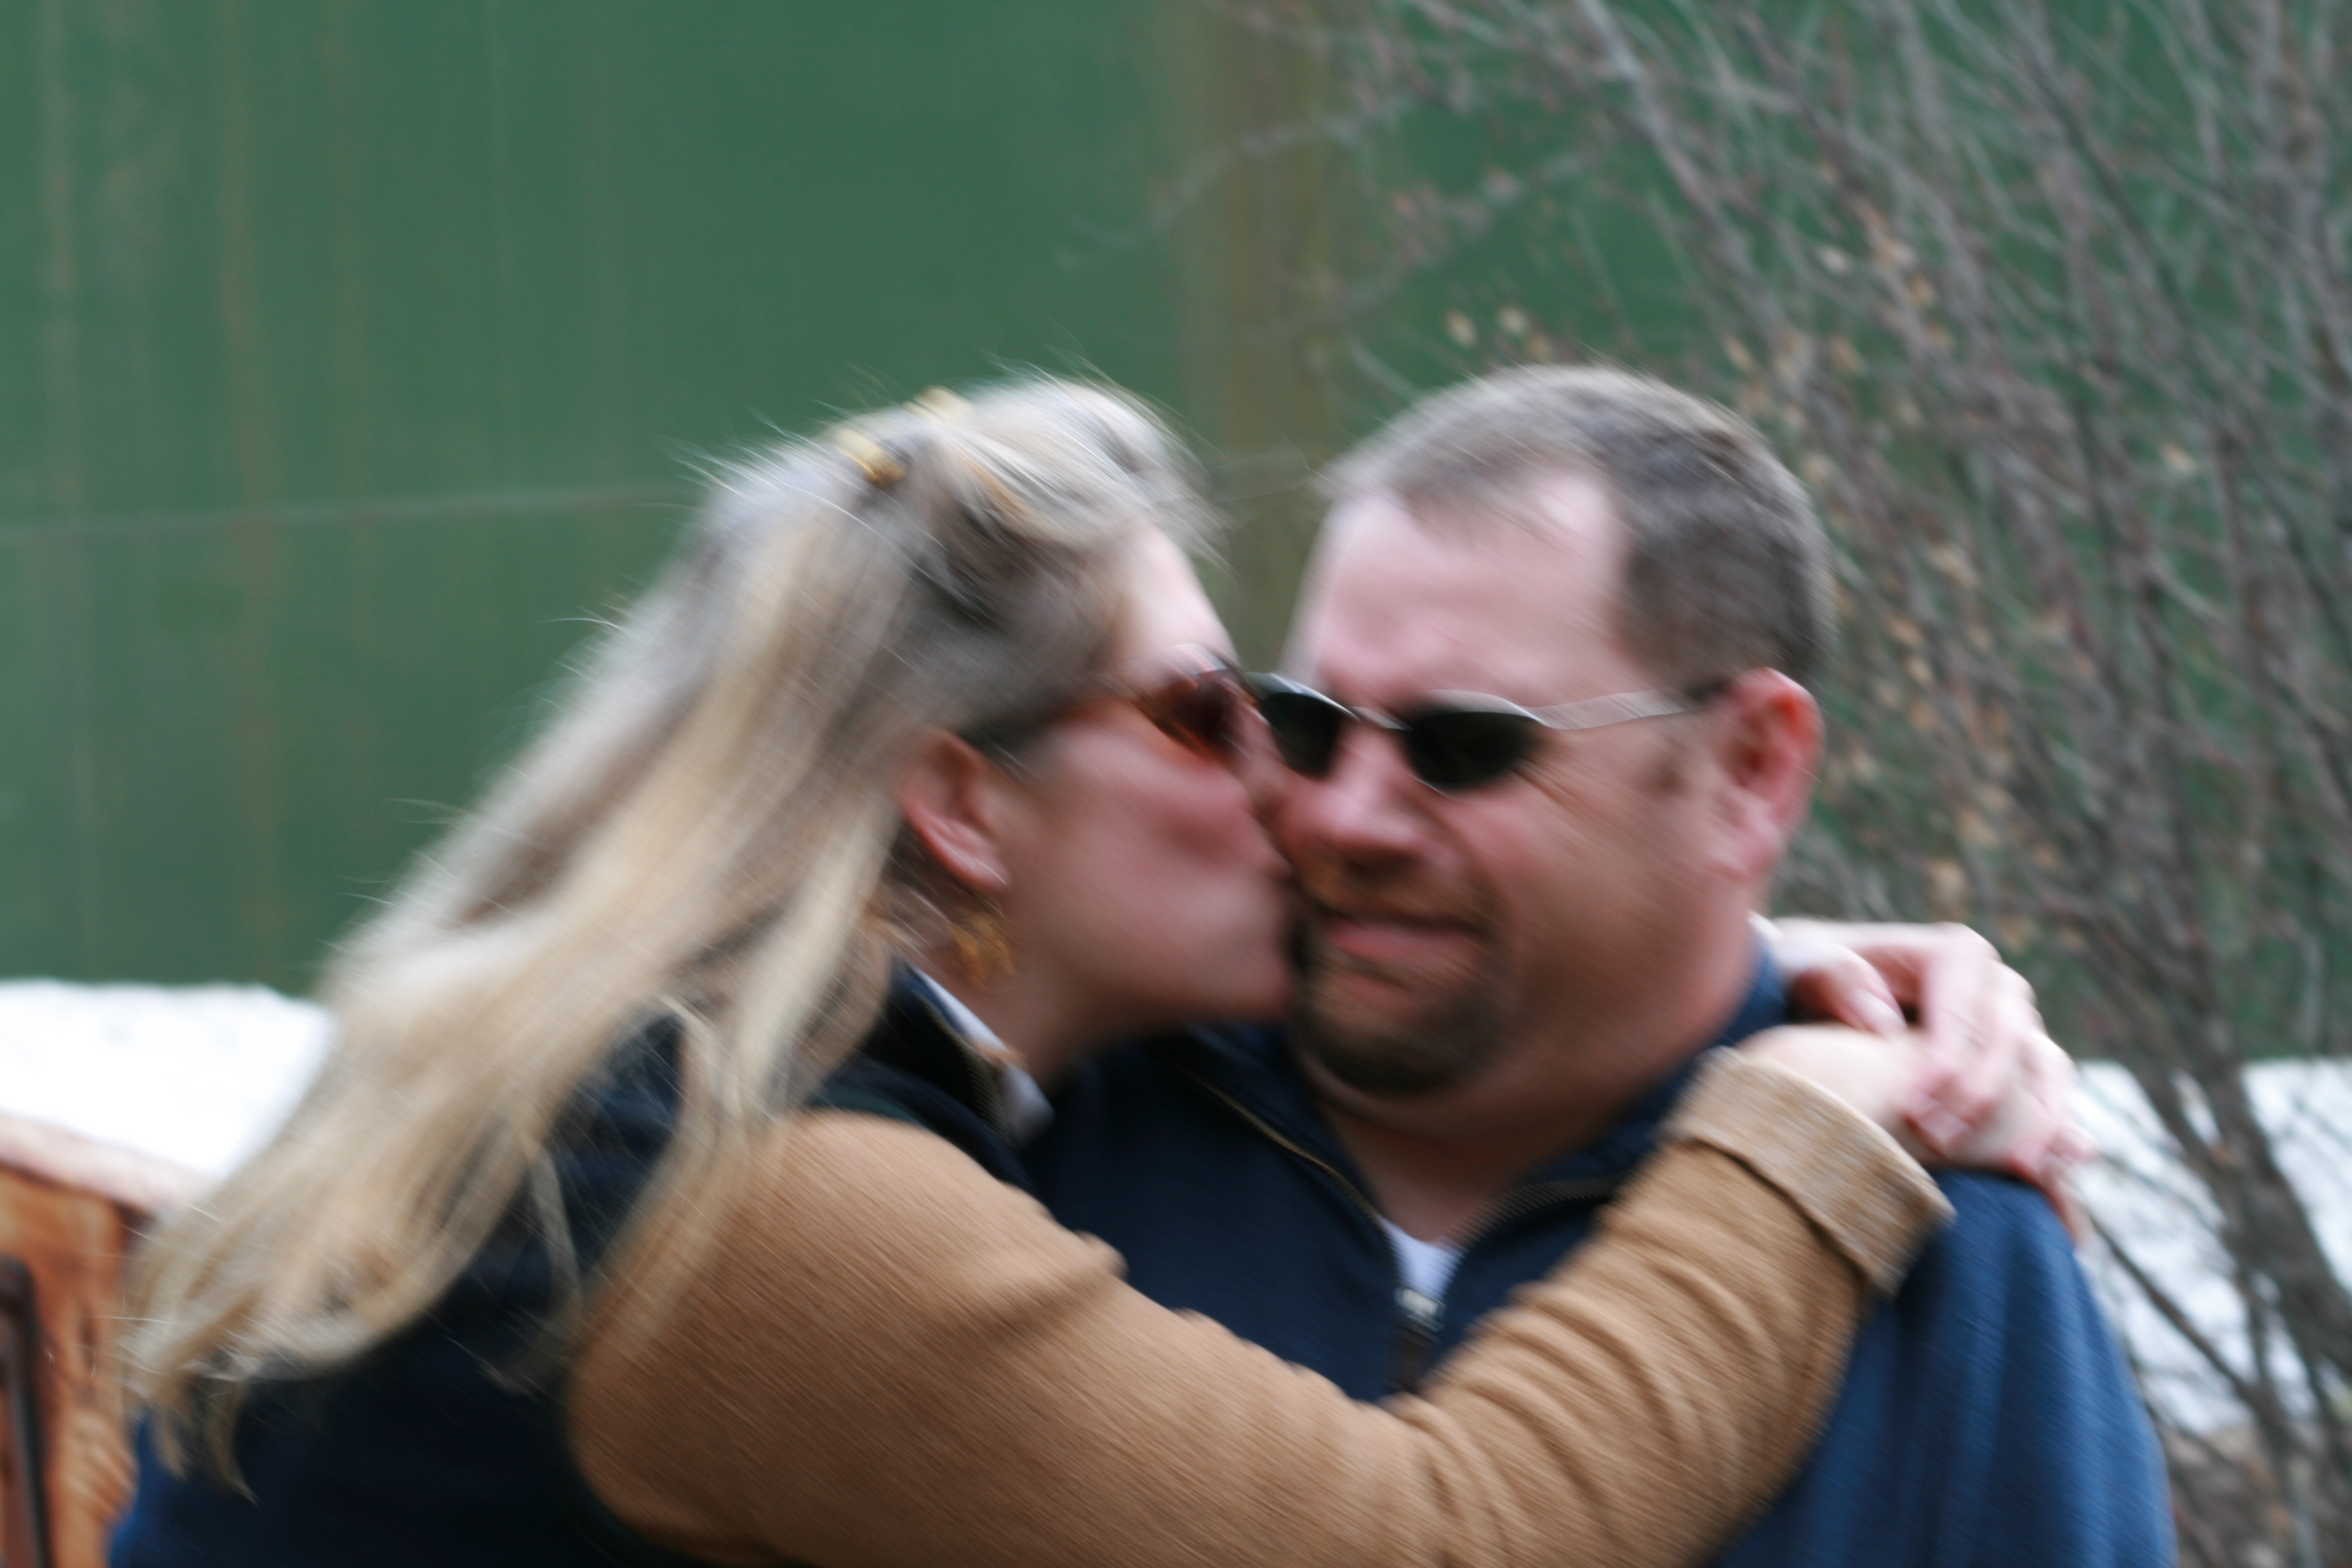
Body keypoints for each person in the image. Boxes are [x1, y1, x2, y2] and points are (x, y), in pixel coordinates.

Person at [117, 377, 2034, 1568]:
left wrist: (1715, 957)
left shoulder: (632, 1074)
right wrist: (1791, 1119)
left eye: (1454, 748)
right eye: (1218, 714)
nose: (1302, 787)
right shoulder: (768, 1216)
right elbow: (1440, 1543)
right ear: (962, 802)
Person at [1028, 367, 2172, 1564]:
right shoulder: (1058, 1119)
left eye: (1461, 746)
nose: (1346, 820)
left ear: (1751, 769)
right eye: (1309, 724)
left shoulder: (1946, 1255)